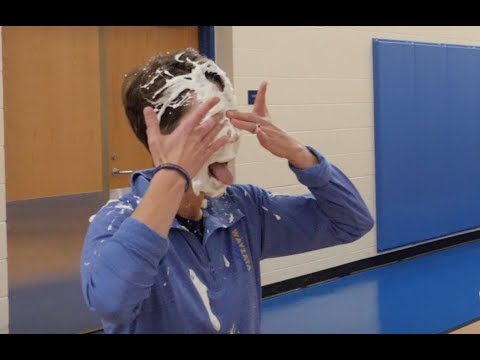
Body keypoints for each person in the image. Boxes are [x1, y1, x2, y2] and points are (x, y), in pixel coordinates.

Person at [80, 48, 374, 334]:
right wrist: (172, 175)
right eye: (208, 127)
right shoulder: (118, 221)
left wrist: (299, 154)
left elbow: (351, 223)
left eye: (228, 119)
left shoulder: (241, 209)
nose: (232, 135)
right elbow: (111, 303)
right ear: (158, 136)